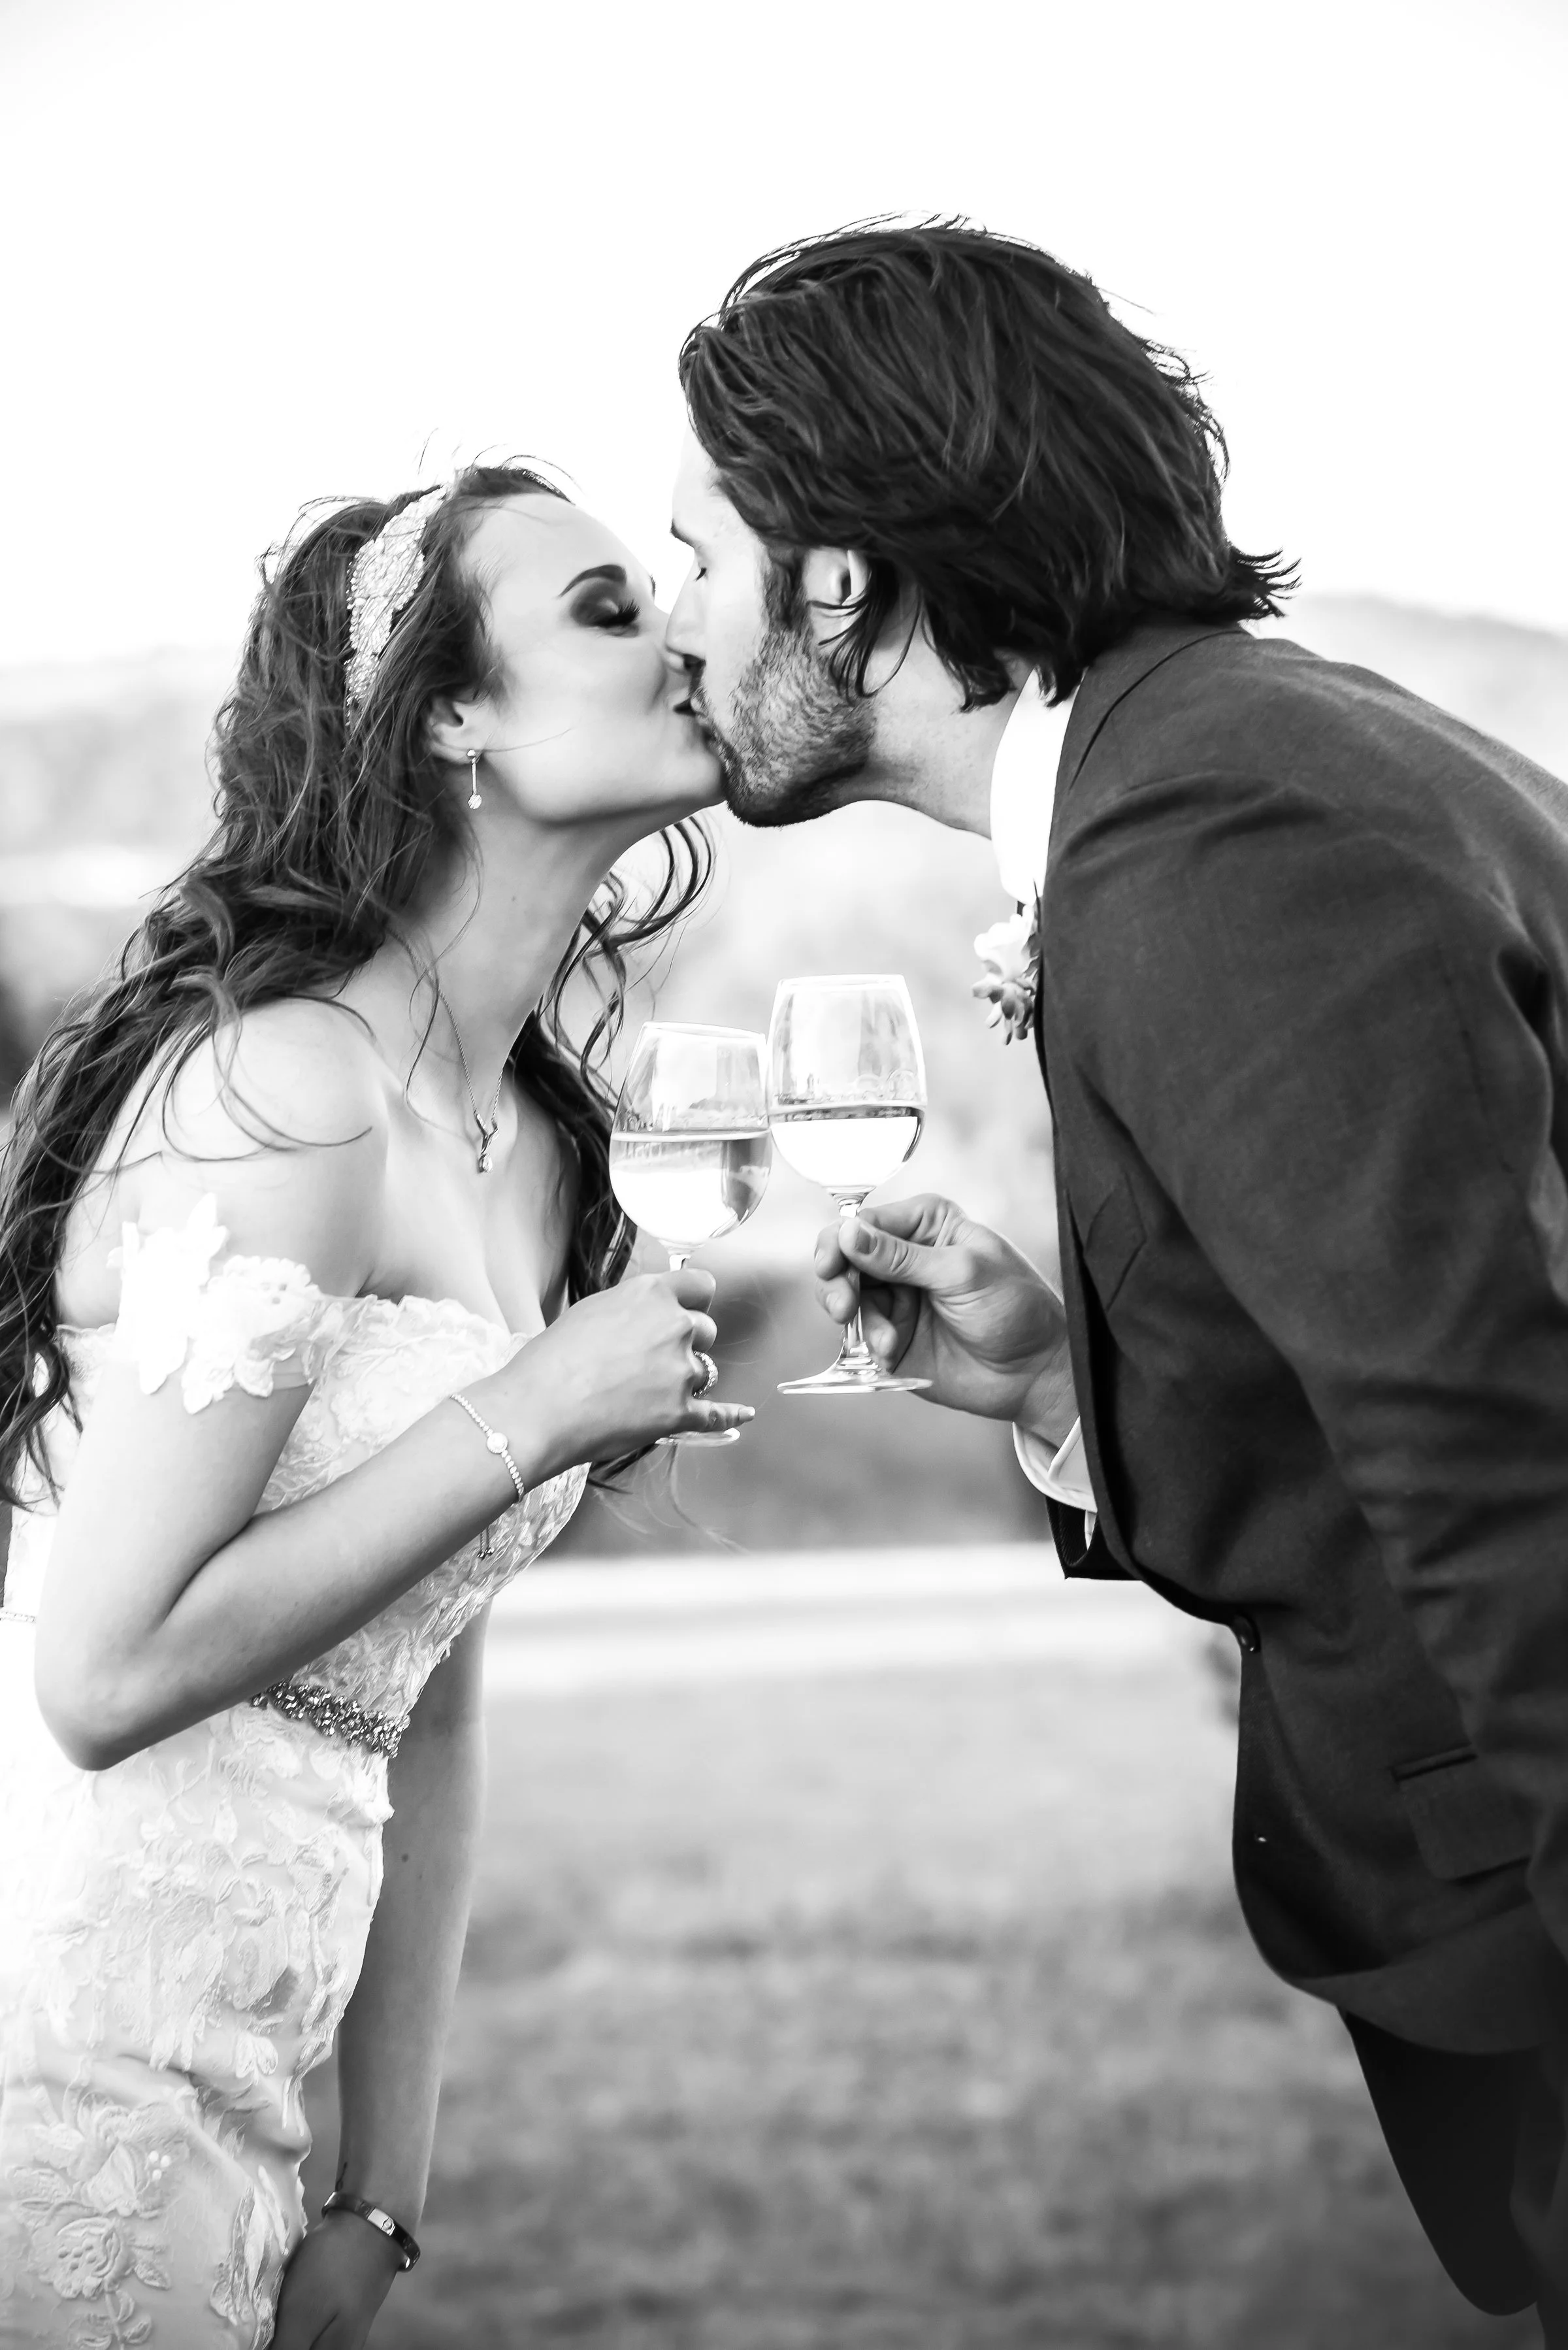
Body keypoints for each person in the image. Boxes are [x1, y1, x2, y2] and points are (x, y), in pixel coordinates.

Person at [667, 221, 1568, 2336]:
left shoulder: (1218, 828)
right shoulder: (1232, 755)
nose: (684, 627)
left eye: (698, 553)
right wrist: (1072, 1389)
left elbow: (1504, 1463)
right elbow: (1378, 1362)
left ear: (839, 582)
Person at [0, 463, 750, 2349]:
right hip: (63, 2030)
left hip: (247, 2087)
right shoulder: (289, 1090)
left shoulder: (530, 1159)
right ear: (445, 714)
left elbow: (426, 1694)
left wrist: (380, 2188)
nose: (679, 630)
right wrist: (533, 1412)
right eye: (603, 606)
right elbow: (98, 1675)